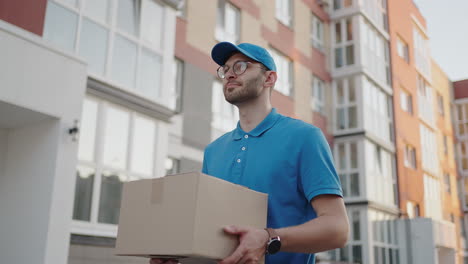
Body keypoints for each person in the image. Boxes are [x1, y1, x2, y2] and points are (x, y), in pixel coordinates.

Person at [151, 42, 348, 264]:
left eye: (241, 66)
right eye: (225, 69)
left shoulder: (305, 137)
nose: (229, 74)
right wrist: (177, 255)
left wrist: (269, 238)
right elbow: (211, 232)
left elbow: (338, 229)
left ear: (269, 78)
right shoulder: (214, 150)